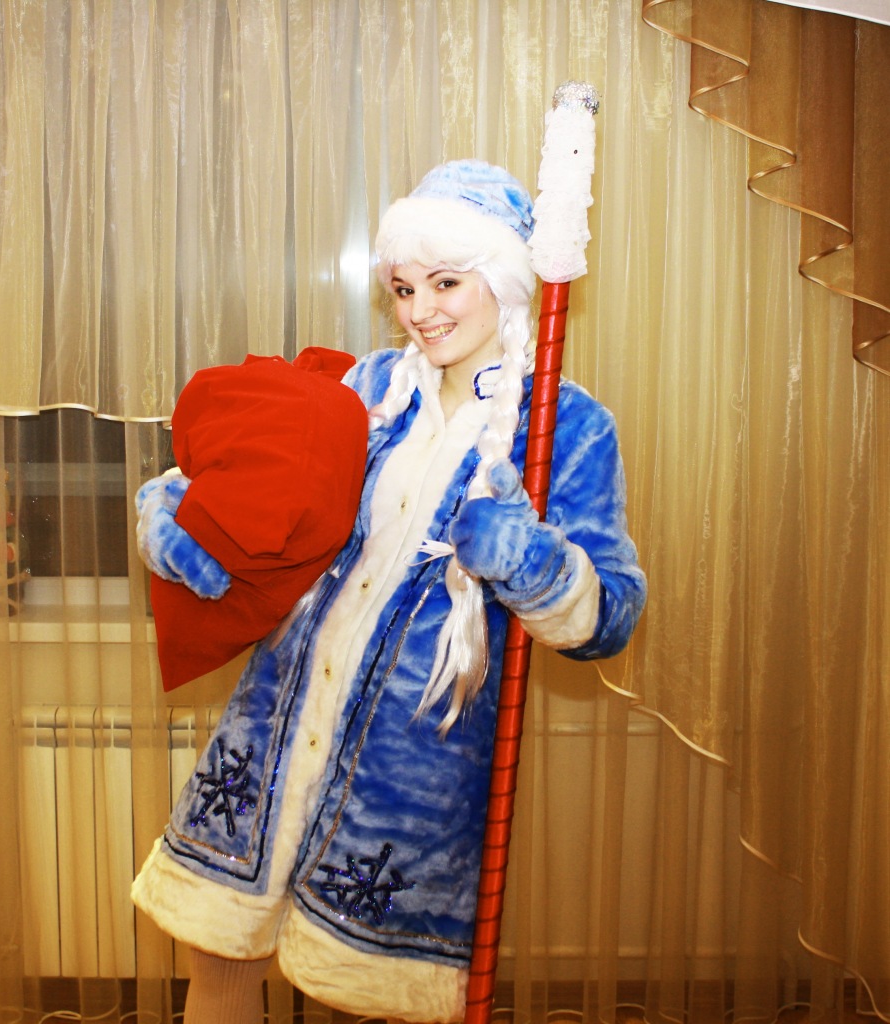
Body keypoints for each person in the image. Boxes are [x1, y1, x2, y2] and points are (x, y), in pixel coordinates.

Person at [131, 159, 647, 1024]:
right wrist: (176, 519)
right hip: (274, 726)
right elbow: (235, 481)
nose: (420, 310)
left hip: (409, 766)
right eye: (404, 288)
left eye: (445, 283)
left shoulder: (566, 426)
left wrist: (528, 559)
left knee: (361, 991)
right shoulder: (364, 388)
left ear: (501, 280)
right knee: (218, 958)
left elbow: (611, 618)